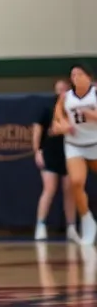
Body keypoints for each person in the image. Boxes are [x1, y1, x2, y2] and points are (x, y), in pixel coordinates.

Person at [34, 78, 79, 242]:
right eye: (58, 89)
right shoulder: (47, 109)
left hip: (70, 153)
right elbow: (37, 131)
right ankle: (40, 225)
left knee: (70, 190)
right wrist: (37, 151)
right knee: (49, 189)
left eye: (64, 89)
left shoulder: (75, 110)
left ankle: (71, 227)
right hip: (51, 153)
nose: (61, 92)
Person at [58, 64, 97, 246]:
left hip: (95, 142)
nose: (76, 78)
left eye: (80, 74)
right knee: (76, 182)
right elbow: (56, 120)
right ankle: (87, 219)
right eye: (73, 75)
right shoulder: (65, 98)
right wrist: (62, 125)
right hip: (75, 144)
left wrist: (90, 114)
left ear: (89, 77)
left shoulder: (95, 93)